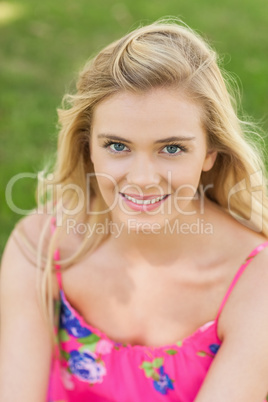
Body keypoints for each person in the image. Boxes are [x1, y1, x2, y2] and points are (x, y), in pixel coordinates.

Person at [0, 18, 268, 402]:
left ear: (210, 152)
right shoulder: (40, 246)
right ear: (87, 145)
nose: (143, 178)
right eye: (118, 146)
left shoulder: (255, 282)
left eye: (172, 148)